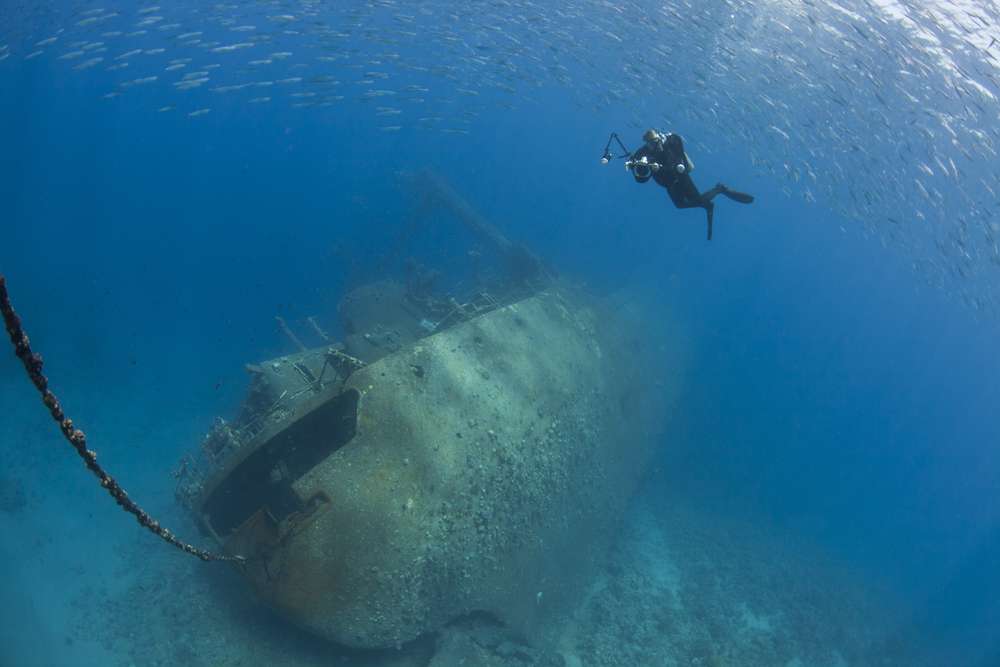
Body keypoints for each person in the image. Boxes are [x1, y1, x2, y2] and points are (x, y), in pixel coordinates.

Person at [628, 129, 753, 240]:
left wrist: (658, 166)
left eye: (655, 142)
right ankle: (710, 201)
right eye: (650, 144)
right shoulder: (643, 152)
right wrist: (637, 165)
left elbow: (677, 160)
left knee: (696, 199)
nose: (654, 146)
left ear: (659, 139)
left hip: (680, 177)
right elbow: (641, 179)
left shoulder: (671, 143)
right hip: (669, 183)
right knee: (680, 205)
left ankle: (719, 190)